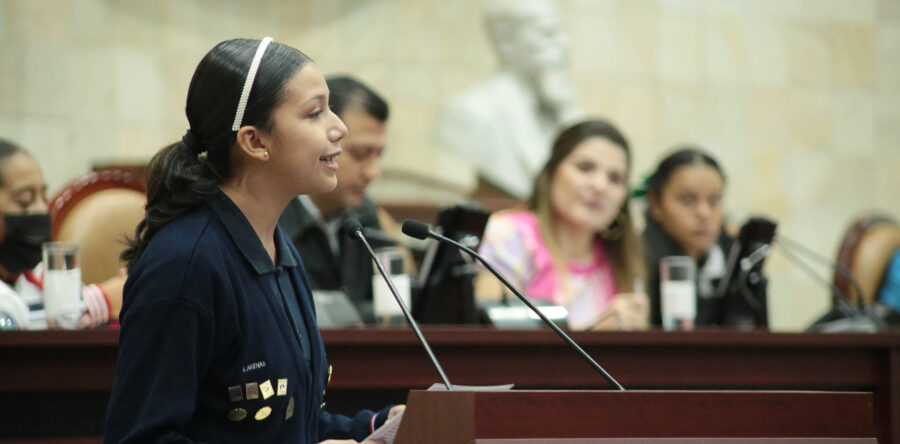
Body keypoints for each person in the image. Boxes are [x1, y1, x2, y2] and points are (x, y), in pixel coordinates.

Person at [104, 38, 400, 444]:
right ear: (255, 141)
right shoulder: (185, 264)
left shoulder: (280, 248)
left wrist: (378, 425)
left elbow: (283, 423)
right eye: (315, 113)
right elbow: (141, 439)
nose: (340, 128)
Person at [476, 119, 647, 331]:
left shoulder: (623, 257)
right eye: (585, 168)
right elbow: (498, 342)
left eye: (615, 178)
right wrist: (596, 333)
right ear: (552, 172)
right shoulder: (508, 234)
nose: (600, 185)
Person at [279, 75, 398, 324]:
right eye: (361, 154)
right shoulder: (273, 216)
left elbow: (390, 308)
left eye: (378, 156)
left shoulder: (363, 212)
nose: (373, 172)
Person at [435, 0, 582, 199]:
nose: (565, 44)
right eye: (547, 33)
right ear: (506, 41)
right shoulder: (471, 112)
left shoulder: (562, 110)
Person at [642, 147, 768, 328]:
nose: (703, 212)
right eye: (687, 200)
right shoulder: (639, 260)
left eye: (714, 200)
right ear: (655, 203)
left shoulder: (735, 257)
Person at [0, 138, 116, 330]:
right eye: (25, 201)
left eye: (44, 198)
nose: (42, 210)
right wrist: (101, 300)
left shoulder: (40, 275)